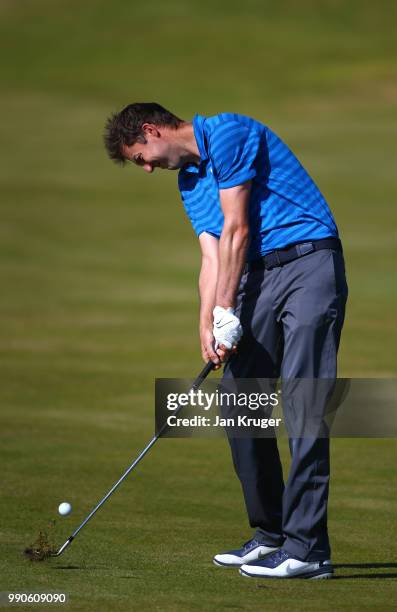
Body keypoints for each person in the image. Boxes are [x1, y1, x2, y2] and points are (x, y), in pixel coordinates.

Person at [104, 103, 348, 579]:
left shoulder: (229, 131)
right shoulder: (189, 182)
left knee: (304, 404)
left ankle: (309, 550)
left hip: (309, 263)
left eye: (143, 158)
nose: (148, 168)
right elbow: (213, 257)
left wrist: (225, 309)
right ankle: (271, 534)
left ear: (152, 130)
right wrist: (207, 325)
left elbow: (237, 227)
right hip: (255, 277)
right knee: (239, 400)